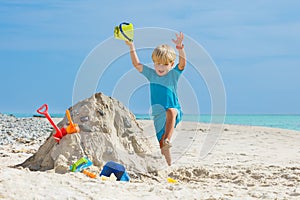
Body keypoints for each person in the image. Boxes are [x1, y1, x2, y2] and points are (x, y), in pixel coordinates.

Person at [125, 32, 186, 166]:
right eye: (157, 63)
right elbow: (137, 64)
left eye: (164, 64)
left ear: (171, 64)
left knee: (171, 111)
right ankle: (168, 165)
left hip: (174, 111)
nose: (160, 67)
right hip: (158, 114)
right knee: (161, 146)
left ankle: (168, 140)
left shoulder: (174, 75)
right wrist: (131, 45)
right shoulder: (152, 75)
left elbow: (182, 64)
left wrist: (180, 48)